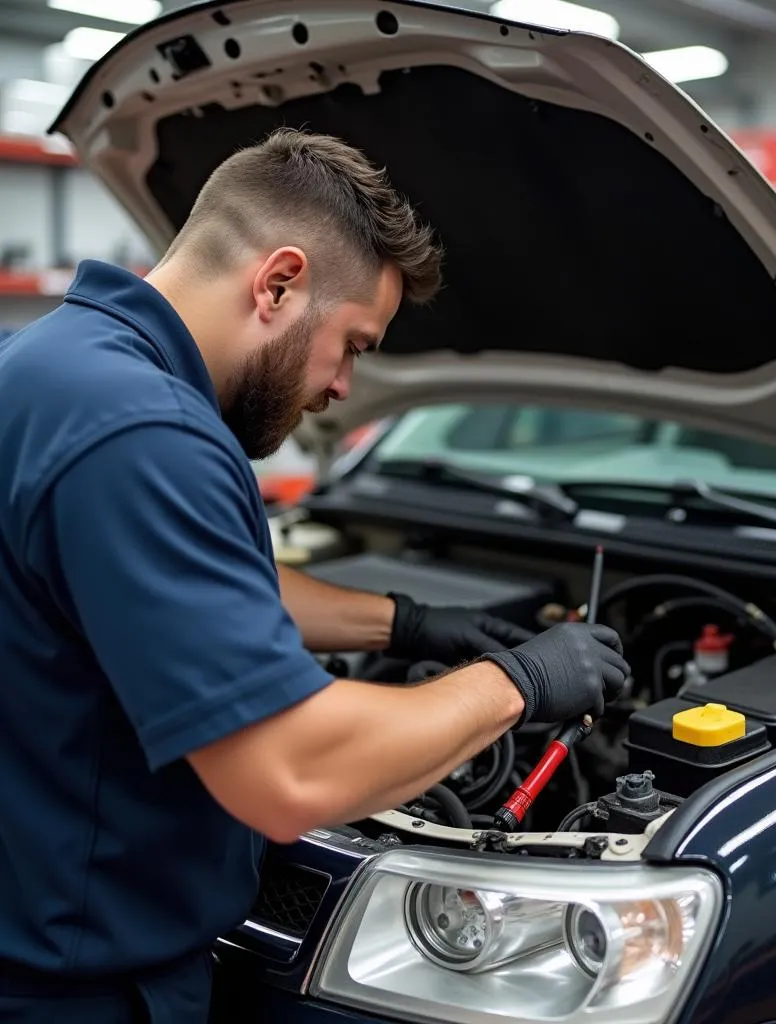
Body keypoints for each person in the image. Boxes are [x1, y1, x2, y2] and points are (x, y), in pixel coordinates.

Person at [0, 128, 629, 1023]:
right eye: (355, 345)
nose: (342, 388)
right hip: (75, 991)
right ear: (279, 282)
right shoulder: (147, 434)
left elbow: (181, 585)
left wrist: (403, 623)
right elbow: (291, 775)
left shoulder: (49, 366)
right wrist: (520, 683)